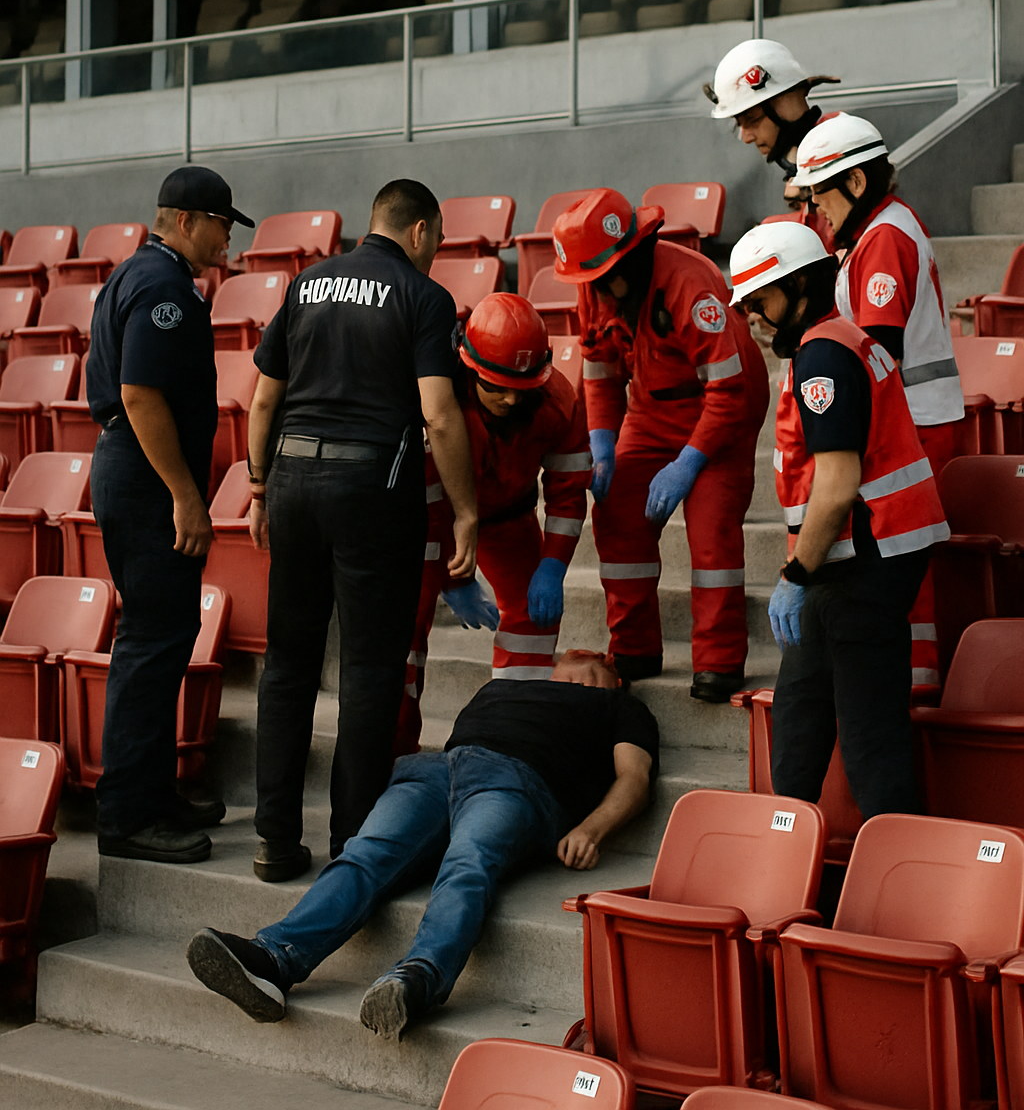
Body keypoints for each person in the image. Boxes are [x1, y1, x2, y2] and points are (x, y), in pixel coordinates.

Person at [186, 649, 658, 1040]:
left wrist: (590, 830)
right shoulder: (501, 687)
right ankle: (274, 957)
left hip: (519, 782)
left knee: (468, 862)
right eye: (572, 652)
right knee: (364, 853)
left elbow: (634, 778)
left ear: (614, 675)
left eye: (598, 654)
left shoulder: (620, 708)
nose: (584, 651)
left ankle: (418, 979)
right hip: (436, 770)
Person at [246, 179, 478, 883]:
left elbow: (263, 398)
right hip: (372, 491)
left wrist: (258, 487)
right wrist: (466, 510)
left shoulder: (307, 283)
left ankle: (275, 842)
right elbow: (438, 414)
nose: (435, 253)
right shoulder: (422, 297)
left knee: (287, 667)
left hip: (291, 482)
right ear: (417, 231)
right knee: (371, 673)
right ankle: (352, 845)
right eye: (435, 240)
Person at [728, 221, 950, 818]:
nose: (753, 317)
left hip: (865, 560)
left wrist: (795, 575)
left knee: (870, 738)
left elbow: (837, 482)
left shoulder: (824, 356)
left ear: (800, 286)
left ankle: (895, 876)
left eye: (760, 301)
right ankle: (783, 848)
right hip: (845, 561)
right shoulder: (833, 343)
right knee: (800, 719)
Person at [87, 165, 254, 863]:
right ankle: (128, 815)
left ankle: (151, 793)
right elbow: (142, 396)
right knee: (153, 644)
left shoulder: (138, 274)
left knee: (163, 635)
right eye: (220, 223)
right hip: (148, 480)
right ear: (185, 220)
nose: (227, 238)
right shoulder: (162, 289)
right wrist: (187, 495)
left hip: (133, 473)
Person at [551, 188, 769, 699]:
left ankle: (718, 662)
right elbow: (600, 371)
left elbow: (728, 391)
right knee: (616, 509)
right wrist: (602, 445)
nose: (594, 292)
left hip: (722, 406)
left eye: (600, 282)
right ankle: (635, 648)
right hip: (650, 409)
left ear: (629, 258)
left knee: (712, 528)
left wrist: (689, 462)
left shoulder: (689, 286)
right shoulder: (594, 282)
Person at [789, 111, 965, 693]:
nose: (816, 212)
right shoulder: (876, 231)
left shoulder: (885, 236)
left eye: (821, 197)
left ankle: (914, 689)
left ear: (857, 184)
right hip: (913, 420)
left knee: (902, 553)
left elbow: (870, 351)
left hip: (917, 424)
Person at [394, 293, 591, 755]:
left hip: (511, 513)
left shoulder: (558, 402)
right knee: (405, 633)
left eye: (521, 387)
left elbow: (567, 492)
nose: (509, 398)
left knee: (534, 619)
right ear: (470, 369)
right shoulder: (437, 396)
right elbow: (428, 497)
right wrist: (447, 576)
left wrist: (554, 566)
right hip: (431, 518)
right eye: (496, 386)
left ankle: (513, 731)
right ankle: (396, 753)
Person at [705, 38, 838, 245]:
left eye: (752, 119)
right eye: (739, 125)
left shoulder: (839, 153)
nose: (747, 138)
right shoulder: (808, 160)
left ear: (786, 102)